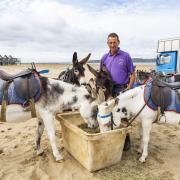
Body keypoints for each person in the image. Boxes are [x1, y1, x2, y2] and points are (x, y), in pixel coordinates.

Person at [100, 32, 135, 151]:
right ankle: (111, 137)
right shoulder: (104, 58)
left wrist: (129, 88)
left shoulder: (125, 56)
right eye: (110, 42)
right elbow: (101, 75)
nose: (112, 44)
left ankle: (126, 139)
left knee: (123, 116)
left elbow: (132, 74)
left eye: (114, 42)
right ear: (107, 43)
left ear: (118, 42)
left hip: (122, 89)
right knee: (109, 114)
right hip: (109, 91)